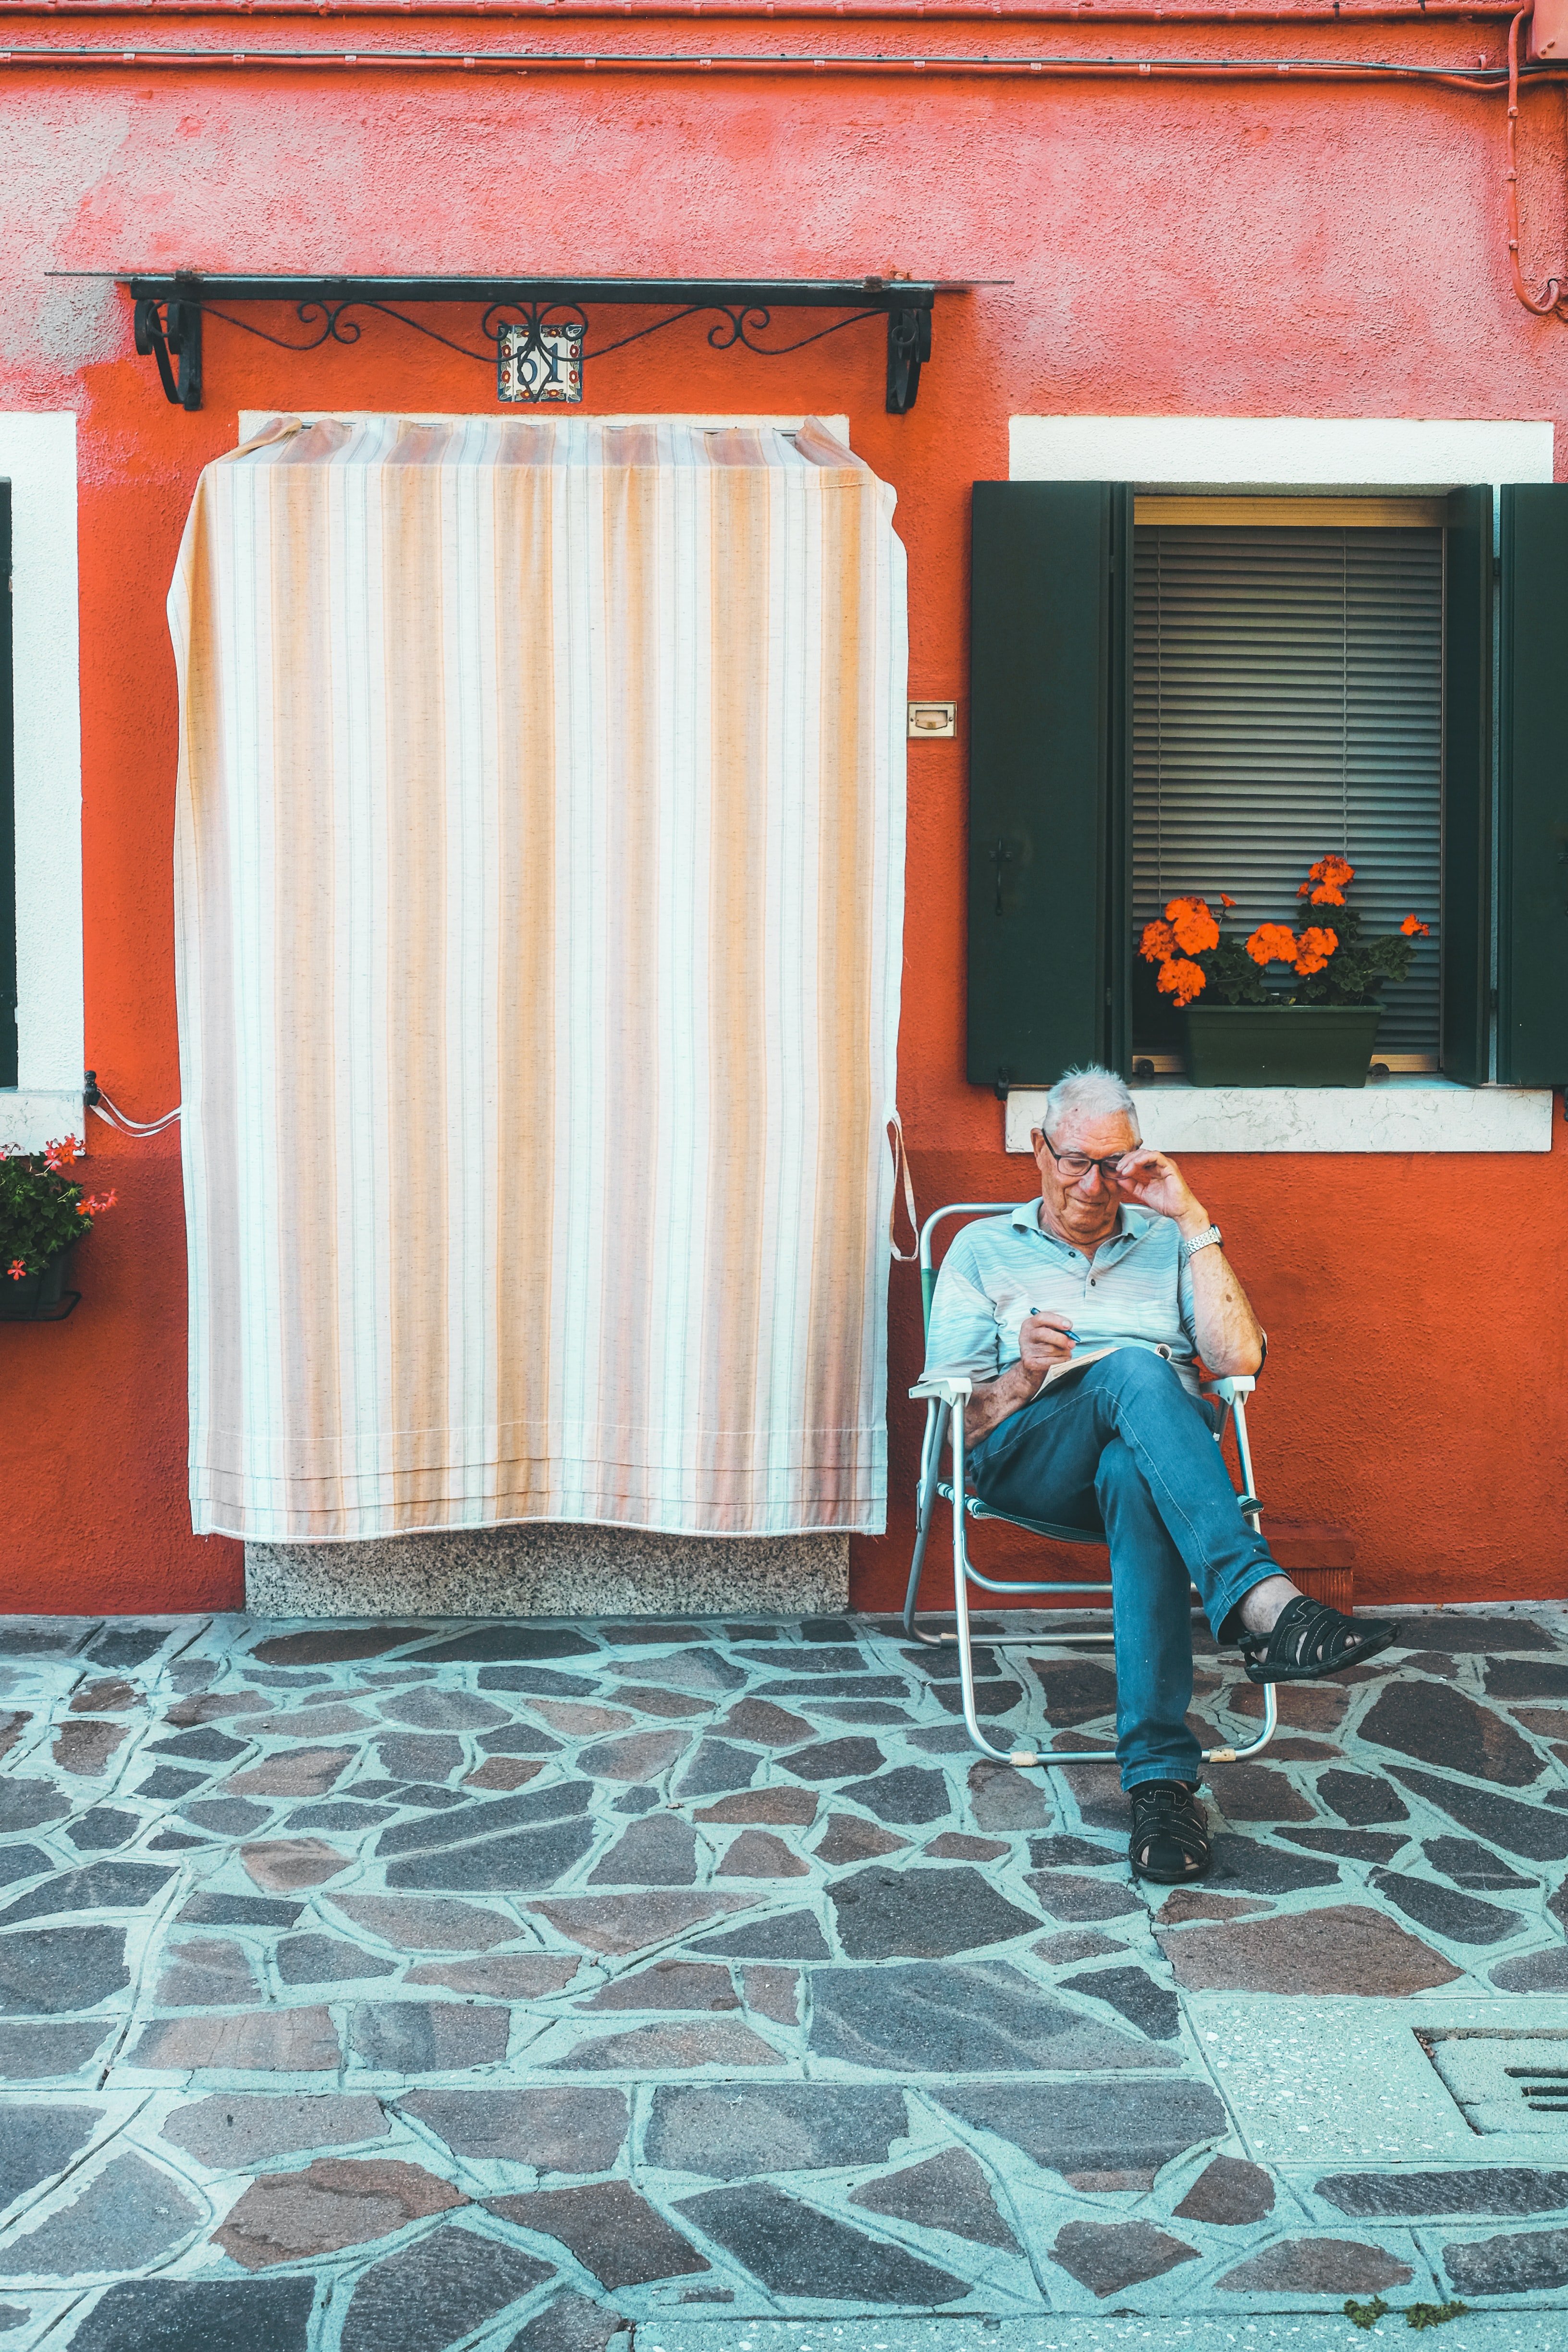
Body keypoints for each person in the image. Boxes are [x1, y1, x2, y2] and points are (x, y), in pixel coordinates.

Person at [919, 1063, 1397, 1884]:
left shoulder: (1170, 1240)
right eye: (1076, 1161)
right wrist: (1024, 1376)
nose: (1096, 1185)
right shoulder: (982, 1248)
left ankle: (1162, 1787)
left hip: (1154, 1465)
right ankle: (1262, 1603)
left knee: (1137, 1475)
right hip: (1029, 1458)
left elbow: (1237, 1361)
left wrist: (1195, 1219)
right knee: (1137, 1369)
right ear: (1038, 1150)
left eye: (1116, 1163)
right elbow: (957, 1427)